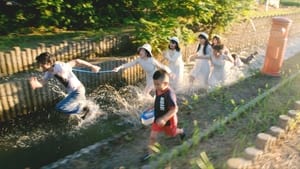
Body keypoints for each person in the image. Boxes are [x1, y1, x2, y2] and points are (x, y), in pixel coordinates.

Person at [29, 52, 100, 119]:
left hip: (77, 91)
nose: (40, 67)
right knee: (84, 116)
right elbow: (42, 83)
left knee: (60, 107)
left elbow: (76, 61)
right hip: (73, 92)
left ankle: (84, 109)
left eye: (41, 65)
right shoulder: (48, 72)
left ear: (49, 63)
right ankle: (90, 111)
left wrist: (92, 66)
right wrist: (36, 84)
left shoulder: (60, 66)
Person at [141, 69, 185, 161]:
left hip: (169, 119)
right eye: (154, 84)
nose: (155, 86)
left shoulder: (169, 94)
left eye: (157, 84)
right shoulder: (158, 90)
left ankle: (181, 131)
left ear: (165, 84)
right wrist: (151, 107)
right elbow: (158, 101)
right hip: (157, 118)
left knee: (171, 134)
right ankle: (150, 154)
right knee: (152, 137)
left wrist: (164, 119)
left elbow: (174, 109)